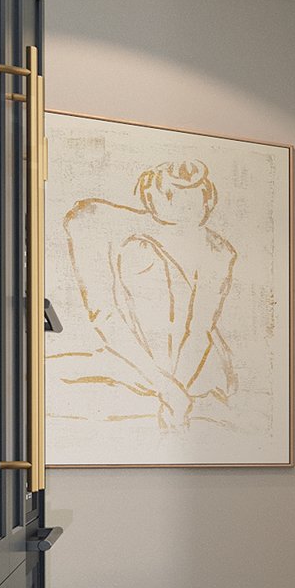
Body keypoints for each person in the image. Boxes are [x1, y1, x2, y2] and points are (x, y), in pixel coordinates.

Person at [51, 158, 239, 431]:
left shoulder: (218, 251)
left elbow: (201, 328)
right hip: (130, 362)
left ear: (207, 202)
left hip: (192, 372)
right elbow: (105, 315)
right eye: (172, 196)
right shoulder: (95, 223)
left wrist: (176, 388)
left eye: (192, 202)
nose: (182, 210)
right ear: (151, 198)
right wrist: (165, 387)